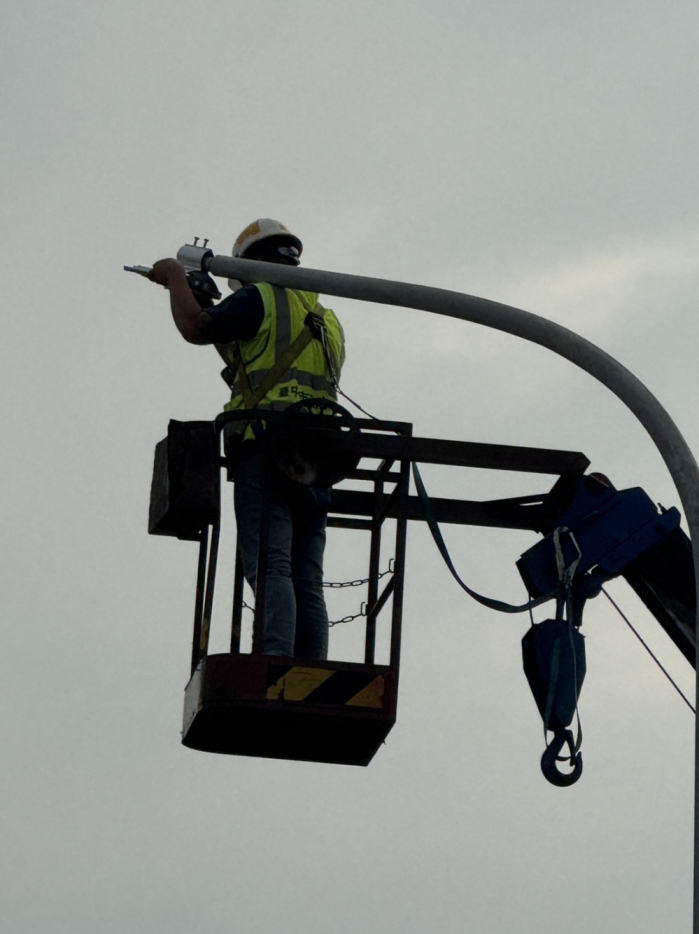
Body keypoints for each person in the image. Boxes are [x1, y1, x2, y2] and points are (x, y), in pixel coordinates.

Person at [150, 219, 345, 659]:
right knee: (306, 574)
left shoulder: (262, 297)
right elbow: (255, 360)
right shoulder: (324, 316)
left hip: (268, 448)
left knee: (271, 564)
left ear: (248, 264)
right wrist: (209, 306)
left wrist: (174, 277)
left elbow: (196, 329)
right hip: (321, 456)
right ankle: (310, 667)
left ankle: (275, 662)